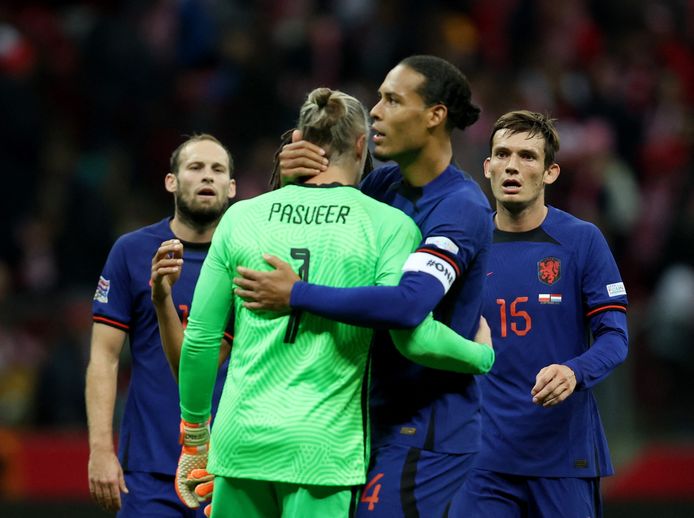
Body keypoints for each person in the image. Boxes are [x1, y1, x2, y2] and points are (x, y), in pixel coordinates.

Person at [174, 87, 494, 518]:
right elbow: (412, 337)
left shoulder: (241, 217)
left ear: (303, 141)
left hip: (241, 441)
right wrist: (480, 354)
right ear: (362, 144)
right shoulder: (388, 225)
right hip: (322, 449)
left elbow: (200, 338)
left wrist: (195, 436)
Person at [447, 110, 629, 517]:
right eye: (503, 154)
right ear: (488, 166)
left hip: (562, 457)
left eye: (528, 156)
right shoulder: (461, 246)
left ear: (550, 173)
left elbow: (616, 337)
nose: (513, 165)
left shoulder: (582, 241)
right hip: (481, 460)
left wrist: (574, 371)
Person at [85, 134, 236, 516]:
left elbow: (208, 361)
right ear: (171, 181)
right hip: (149, 470)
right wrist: (101, 450)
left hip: (229, 470)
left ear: (232, 187)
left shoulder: (246, 258)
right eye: (195, 167)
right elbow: (103, 358)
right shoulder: (132, 251)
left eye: (218, 170)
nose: (208, 177)